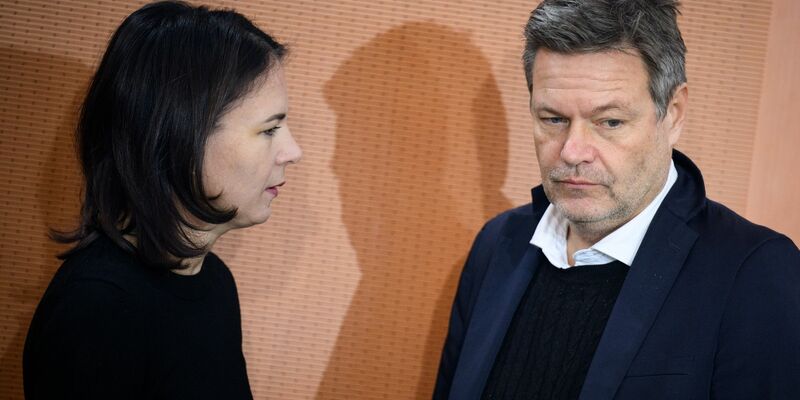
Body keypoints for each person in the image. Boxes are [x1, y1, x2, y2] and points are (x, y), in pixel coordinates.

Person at [434, 0, 800, 399]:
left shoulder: (754, 272)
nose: (573, 151)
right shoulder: (496, 244)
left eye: (610, 121)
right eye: (553, 119)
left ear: (673, 113)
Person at [22, 1, 301, 399]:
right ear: (182, 136)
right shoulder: (98, 308)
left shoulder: (213, 280)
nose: (293, 151)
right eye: (269, 129)